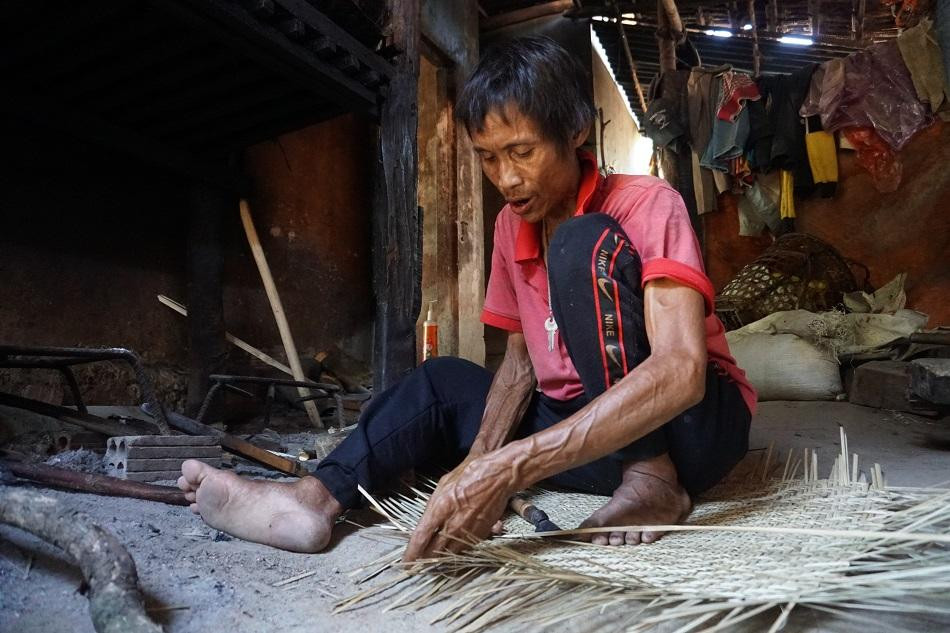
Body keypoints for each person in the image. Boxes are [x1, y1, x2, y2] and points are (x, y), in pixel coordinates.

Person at [178, 36, 756, 560]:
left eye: (522, 151)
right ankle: (311, 500)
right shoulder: (512, 225)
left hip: (690, 432)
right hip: (591, 428)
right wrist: (478, 466)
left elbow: (683, 372)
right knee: (443, 382)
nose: (505, 179)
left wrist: (512, 467)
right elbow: (524, 360)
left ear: (576, 130)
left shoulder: (647, 203)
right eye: (487, 156)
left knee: (582, 243)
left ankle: (651, 480)